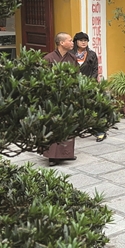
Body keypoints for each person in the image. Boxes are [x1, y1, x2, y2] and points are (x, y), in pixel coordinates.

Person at [43, 32, 78, 166]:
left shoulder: (72, 58)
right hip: (53, 97)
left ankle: (66, 154)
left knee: (68, 123)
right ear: (62, 43)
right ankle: (52, 156)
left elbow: (76, 77)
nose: (72, 42)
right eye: (70, 40)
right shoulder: (48, 58)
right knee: (53, 124)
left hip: (68, 96)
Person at [71, 32, 106, 142]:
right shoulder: (70, 55)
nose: (83, 42)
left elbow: (95, 69)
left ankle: (99, 131)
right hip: (74, 85)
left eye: (85, 40)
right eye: (81, 40)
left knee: (93, 108)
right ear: (76, 42)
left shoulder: (91, 54)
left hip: (89, 85)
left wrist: (90, 82)